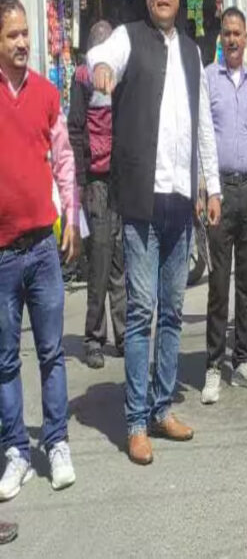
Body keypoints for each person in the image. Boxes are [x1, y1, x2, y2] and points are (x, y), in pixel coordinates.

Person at [89, 0, 221, 466]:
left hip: (180, 202)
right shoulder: (129, 38)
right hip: (142, 202)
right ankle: (135, 422)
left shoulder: (191, 51)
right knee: (142, 311)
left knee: (171, 313)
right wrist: (101, 68)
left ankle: (162, 408)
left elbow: (203, 126)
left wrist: (210, 187)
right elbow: (102, 56)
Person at [0, 0, 78, 499]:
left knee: (51, 352)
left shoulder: (47, 94)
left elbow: (64, 159)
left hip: (43, 248)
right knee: (5, 359)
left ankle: (57, 442)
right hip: (2, 255)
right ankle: (16, 452)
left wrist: (71, 215)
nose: (23, 42)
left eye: (26, 33)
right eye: (12, 35)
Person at [200, 8, 247, 405]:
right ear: (221, 38)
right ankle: (213, 365)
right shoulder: (207, 80)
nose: (232, 40)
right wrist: (204, 188)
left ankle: (242, 359)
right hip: (221, 193)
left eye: (238, 34)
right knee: (218, 284)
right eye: (227, 33)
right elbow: (201, 139)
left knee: (246, 283)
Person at [68, 19, 127, 370]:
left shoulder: (118, 77)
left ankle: (123, 334)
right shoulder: (82, 79)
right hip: (96, 181)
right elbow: (76, 130)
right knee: (101, 260)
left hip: (118, 178)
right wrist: (79, 180)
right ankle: (94, 337)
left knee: (119, 258)